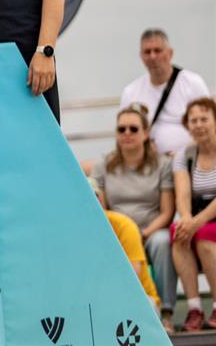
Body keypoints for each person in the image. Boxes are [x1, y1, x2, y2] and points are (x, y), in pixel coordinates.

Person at [89, 105, 175, 328]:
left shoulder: (163, 165)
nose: (127, 133)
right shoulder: (104, 164)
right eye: (121, 129)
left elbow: (167, 211)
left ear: (146, 133)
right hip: (117, 234)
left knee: (162, 242)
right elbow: (100, 207)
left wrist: (142, 233)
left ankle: (166, 312)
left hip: (151, 230)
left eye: (133, 129)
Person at [120, 28, 211, 156]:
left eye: (157, 51)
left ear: (170, 53)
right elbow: (123, 133)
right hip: (148, 161)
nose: (153, 56)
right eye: (147, 52)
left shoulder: (192, 83)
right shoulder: (131, 92)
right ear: (141, 56)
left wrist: (181, 155)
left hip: (190, 157)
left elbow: (210, 126)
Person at [172, 97, 216, 332]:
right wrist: (186, 219)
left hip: (208, 219)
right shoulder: (185, 155)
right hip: (199, 217)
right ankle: (194, 308)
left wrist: (196, 222)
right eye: (193, 120)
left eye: (204, 119)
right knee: (178, 232)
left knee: (206, 236)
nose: (198, 125)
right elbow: (182, 192)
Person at [89, 178, 162, 311]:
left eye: (95, 196)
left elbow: (132, 281)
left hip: (140, 300)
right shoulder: (71, 232)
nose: (93, 202)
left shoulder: (123, 225)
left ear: (101, 200)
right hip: (96, 303)